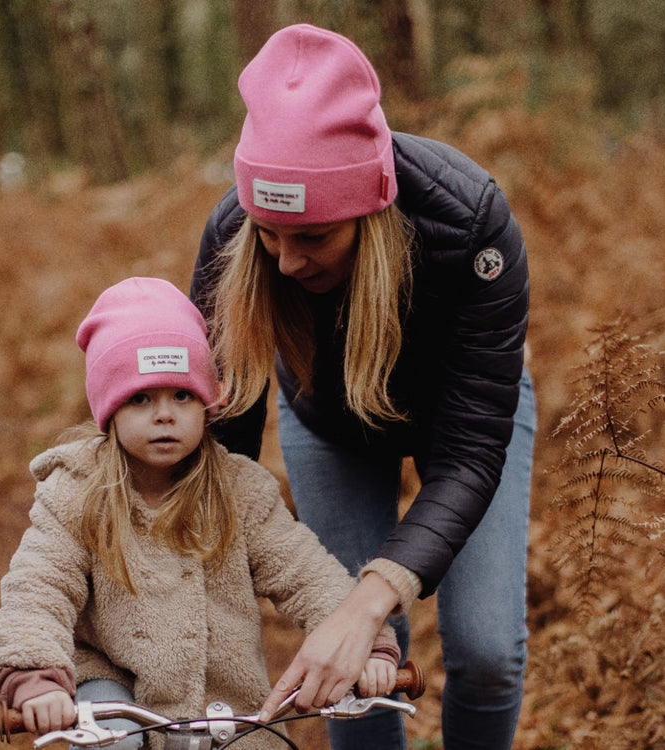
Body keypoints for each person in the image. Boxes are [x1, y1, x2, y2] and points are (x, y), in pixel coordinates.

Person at [190, 23, 536, 750]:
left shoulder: (468, 224)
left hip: (466, 428)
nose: (284, 263)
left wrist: (366, 604)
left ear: (370, 208)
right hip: (327, 423)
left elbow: (474, 453)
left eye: (312, 237)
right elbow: (223, 446)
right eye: (269, 234)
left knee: (486, 652)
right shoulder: (231, 237)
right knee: (356, 672)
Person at [0, 277, 400, 750]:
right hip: (116, 694)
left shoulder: (241, 491)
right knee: (117, 742)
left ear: (206, 403)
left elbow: (307, 575)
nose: (165, 415)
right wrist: (35, 674)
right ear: (110, 409)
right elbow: (38, 589)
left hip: (228, 709)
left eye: (182, 396)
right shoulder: (75, 494)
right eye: (141, 398)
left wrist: (363, 646)